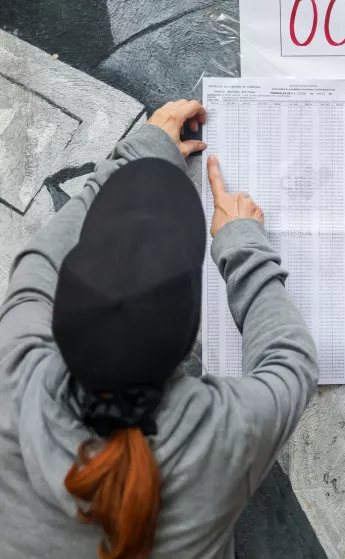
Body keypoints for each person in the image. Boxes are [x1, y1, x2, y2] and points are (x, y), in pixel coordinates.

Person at [0, 100, 318, 559]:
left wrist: (139, 155)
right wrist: (241, 241)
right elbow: (293, 361)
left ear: (59, 309)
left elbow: (39, 261)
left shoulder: (14, 366)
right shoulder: (222, 433)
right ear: (189, 343)